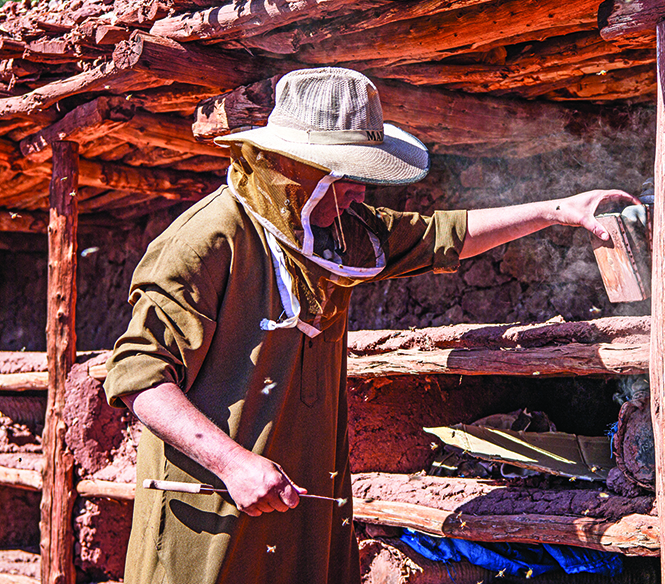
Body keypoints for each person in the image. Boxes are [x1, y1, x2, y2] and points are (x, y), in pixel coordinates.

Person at [103, 67, 637, 584]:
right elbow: (139, 378)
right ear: (291, 165)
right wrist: (233, 463)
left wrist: (559, 210)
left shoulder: (337, 234)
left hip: (299, 504)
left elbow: (443, 235)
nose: (360, 192)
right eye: (344, 176)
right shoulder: (205, 242)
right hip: (212, 512)